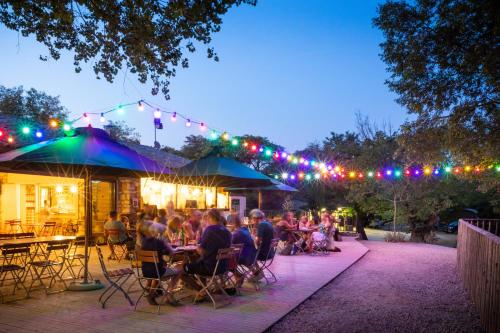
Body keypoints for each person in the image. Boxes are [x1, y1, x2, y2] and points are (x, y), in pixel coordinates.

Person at [183, 209, 231, 294]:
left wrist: (197, 247)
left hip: (209, 268)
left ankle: (202, 291)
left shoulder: (210, 230)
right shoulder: (227, 231)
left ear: (209, 217)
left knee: (180, 269)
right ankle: (204, 289)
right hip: (223, 267)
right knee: (197, 261)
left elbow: (201, 250)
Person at [140, 222, 181, 306]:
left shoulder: (144, 242)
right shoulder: (159, 242)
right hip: (158, 272)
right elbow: (172, 253)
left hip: (145, 271)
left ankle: (151, 294)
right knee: (179, 270)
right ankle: (168, 295)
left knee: (157, 269)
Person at [231, 214, 257, 286]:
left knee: (227, 260)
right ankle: (254, 271)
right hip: (252, 257)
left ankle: (238, 276)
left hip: (245, 258)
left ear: (233, 224)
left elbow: (229, 245)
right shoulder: (246, 230)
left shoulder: (236, 233)